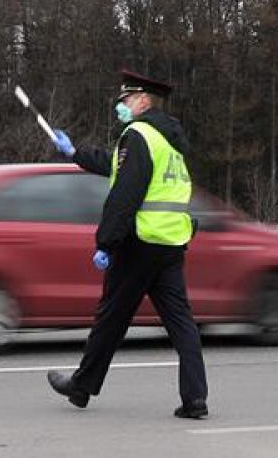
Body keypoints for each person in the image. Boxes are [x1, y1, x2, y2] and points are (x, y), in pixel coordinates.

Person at [46, 69, 209, 419]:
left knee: (111, 317)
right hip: (170, 242)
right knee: (182, 322)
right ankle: (195, 397)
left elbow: (125, 193)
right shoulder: (169, 141)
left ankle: (81, 386)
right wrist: (75, 152)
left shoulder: (138, 135)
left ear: (143, 100)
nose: (120, 105)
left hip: (140, 242)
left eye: (125, 99)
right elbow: (117, 168)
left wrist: (106, 242)